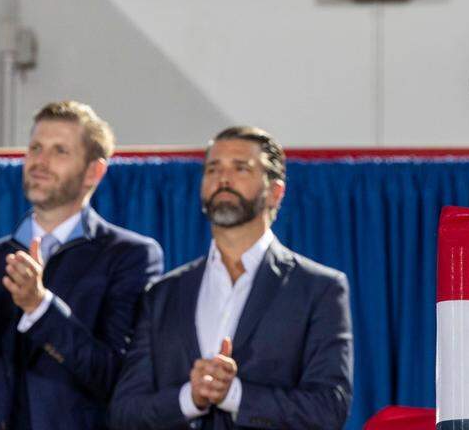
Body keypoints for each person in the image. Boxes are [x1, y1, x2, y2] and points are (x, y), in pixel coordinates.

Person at [0, 101, 164, 430]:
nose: (40, 161)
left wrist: (40, 308)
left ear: (93, 172)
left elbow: (119, 380)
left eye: (59, 151)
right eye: (36, 147)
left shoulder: (129, 256)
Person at [109, 126, 353, 430]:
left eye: (240, 168)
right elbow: (125, 412)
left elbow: (328, 408)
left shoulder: (319, 289)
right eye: (213, 168)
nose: (223, 179)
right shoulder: (163, 293)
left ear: (275, 192)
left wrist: (234, 395)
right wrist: (191, 397)